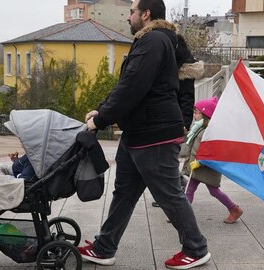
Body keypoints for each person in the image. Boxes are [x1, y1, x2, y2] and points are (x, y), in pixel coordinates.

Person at [78, 0, 211, 269]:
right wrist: (101, 110)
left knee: (169, 195)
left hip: (154, 134)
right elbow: (126, 84)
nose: (128, 17)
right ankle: (104, 247)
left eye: (132, 12)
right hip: (138, 132)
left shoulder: (154, 41)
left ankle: (196, 249)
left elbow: (133, 86)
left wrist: (102, 119)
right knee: (124, 193)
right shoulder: (157, 41)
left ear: (146, 14)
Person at [151, 33, 204, 208]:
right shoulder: (170, 67)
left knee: (166, 164)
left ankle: (173, 195)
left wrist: (183, 125)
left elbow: (187, 100)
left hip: (174, 124)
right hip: (164, 121)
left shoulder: (185, 71)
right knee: (164, 164)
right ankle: (174, 190)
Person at [183, 97, 243, 224]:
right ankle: (182, 215)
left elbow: (213, 152)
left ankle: (234, 209)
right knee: (189, 191)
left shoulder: (210, 131)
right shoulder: (198, 127)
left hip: (207, 167)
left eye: (197, 112)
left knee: (214, 191)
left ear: (205, 114)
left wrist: (200, 162)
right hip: (197, 167)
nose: (194, 114)